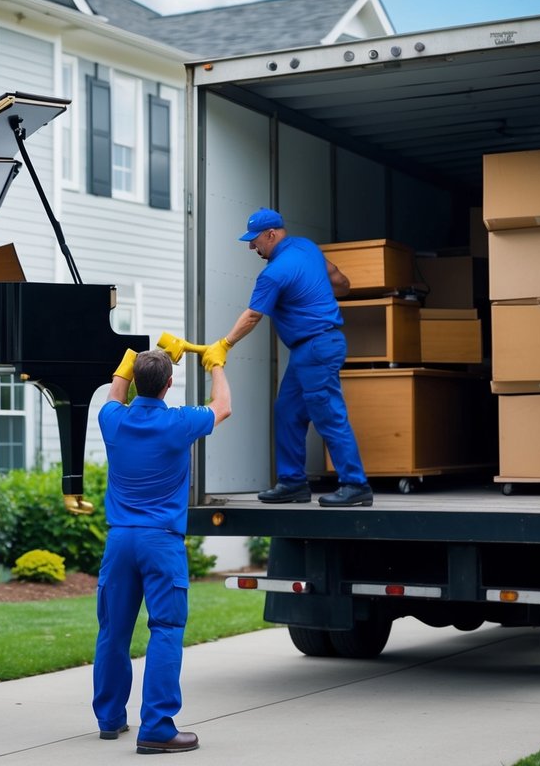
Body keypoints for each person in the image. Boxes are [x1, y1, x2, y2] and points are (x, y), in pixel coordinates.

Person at [90, 346, 231, 754]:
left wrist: (129, 359)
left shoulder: (112, 419)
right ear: (170, 385)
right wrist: (215, 362)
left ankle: (110, 718)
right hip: (160, 542)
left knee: (113, 629)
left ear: (135, 380)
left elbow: (115, 394)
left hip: (120, 542)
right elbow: (223, 406)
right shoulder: (179, 422)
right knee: (165, 630)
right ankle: (157, 727)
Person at [204, 207, 372, 508]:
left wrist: (224, 344)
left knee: (329, 415)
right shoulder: (307, 247)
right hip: (314, 347)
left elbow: (253, 315)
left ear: (271, 234)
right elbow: (337, 278)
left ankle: (355, 484)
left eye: (255, 241)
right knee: (288, 411)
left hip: (316, 347)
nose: (251, 247)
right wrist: (328, 293)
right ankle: (293, 482)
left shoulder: (273, 273)